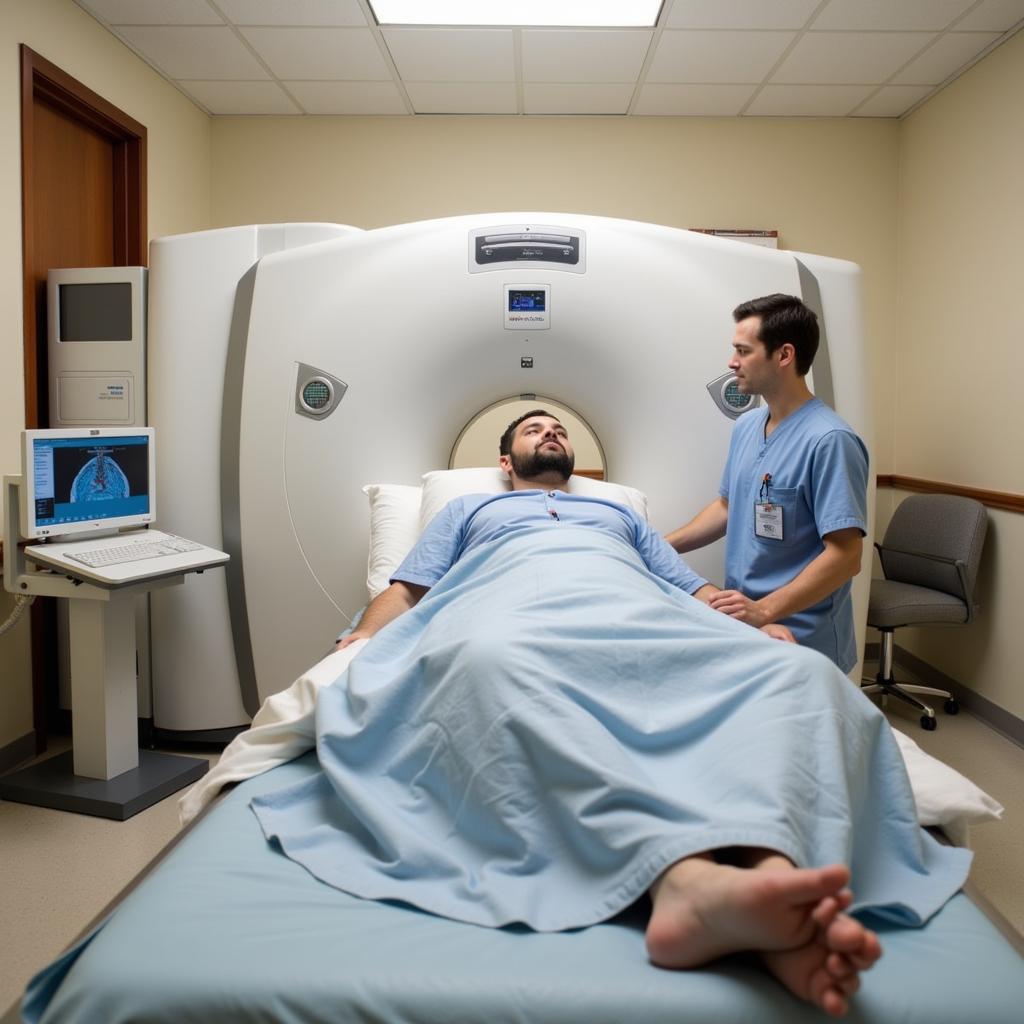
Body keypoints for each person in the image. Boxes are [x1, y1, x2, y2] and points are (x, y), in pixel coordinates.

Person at [254, 411, 966, 1019]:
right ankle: (693, 885)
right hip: (510, 611)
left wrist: (751, 621)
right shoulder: (470, 511)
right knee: (496, 664)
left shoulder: (619, 512)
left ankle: (764, 882)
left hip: (631, 609)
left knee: (797, 676)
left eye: (558, 426)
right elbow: (408, 589)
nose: (551, 430)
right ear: (506, 462)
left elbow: (686, 586)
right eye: (535, 428)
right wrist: (362, 639)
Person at [666, 295, 869, 673]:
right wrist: (661, 545)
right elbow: (728, 506)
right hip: (746, 626)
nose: (732, 362)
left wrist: (764, 610)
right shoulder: (747, 426)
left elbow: (846, 556)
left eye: (743, 351)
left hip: (802, 638)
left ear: (784, 355)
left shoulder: (830, 440)